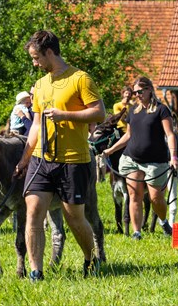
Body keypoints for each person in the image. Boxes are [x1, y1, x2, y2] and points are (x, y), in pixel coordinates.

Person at [14, 30, 106, 282]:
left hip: (74, 160)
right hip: (42, 160)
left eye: (36, 57)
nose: (34, 63)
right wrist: (24, 158)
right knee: (33, 211)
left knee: (74, 217)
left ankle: (90, 258)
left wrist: (66, 116)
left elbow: (99, 113)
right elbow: (35, 124)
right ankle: (36, 271)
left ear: (50, 52)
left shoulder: (80, 79)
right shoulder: (41, 85)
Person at [102, 76, 178, 241]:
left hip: (155, 161)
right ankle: (137, 232)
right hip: (132, 159)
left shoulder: (161, 110)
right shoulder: (133, 111)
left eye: (139, 91)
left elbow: (170, 134)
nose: (136, 95)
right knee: (134, 194)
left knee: (155, 197)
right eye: (135, 92)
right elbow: (128, 135)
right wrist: (111, 150)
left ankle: (164, 222)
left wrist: (173, 156)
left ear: (149, 90)